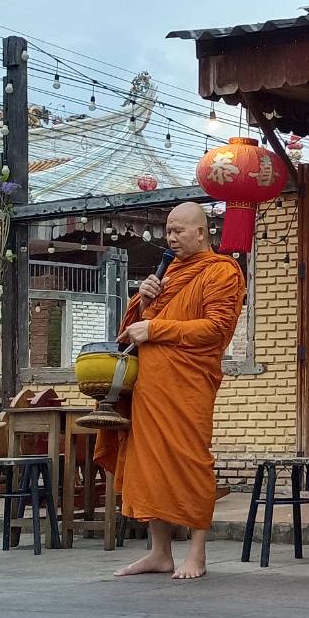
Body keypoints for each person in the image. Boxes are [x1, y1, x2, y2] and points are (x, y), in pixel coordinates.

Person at [98, 202, 246, 581]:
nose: (172, 237)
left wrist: (157, 328)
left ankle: (196, 552)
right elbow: (132, 331)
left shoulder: (222, 273)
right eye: (168, 230)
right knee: (148, 465)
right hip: (150, 385)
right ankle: (159, 552)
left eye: (180, 230)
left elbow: (215, 331)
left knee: (190, 461)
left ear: (202, 232)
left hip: (189, 383)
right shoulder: (168, 274)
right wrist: (143, 302)